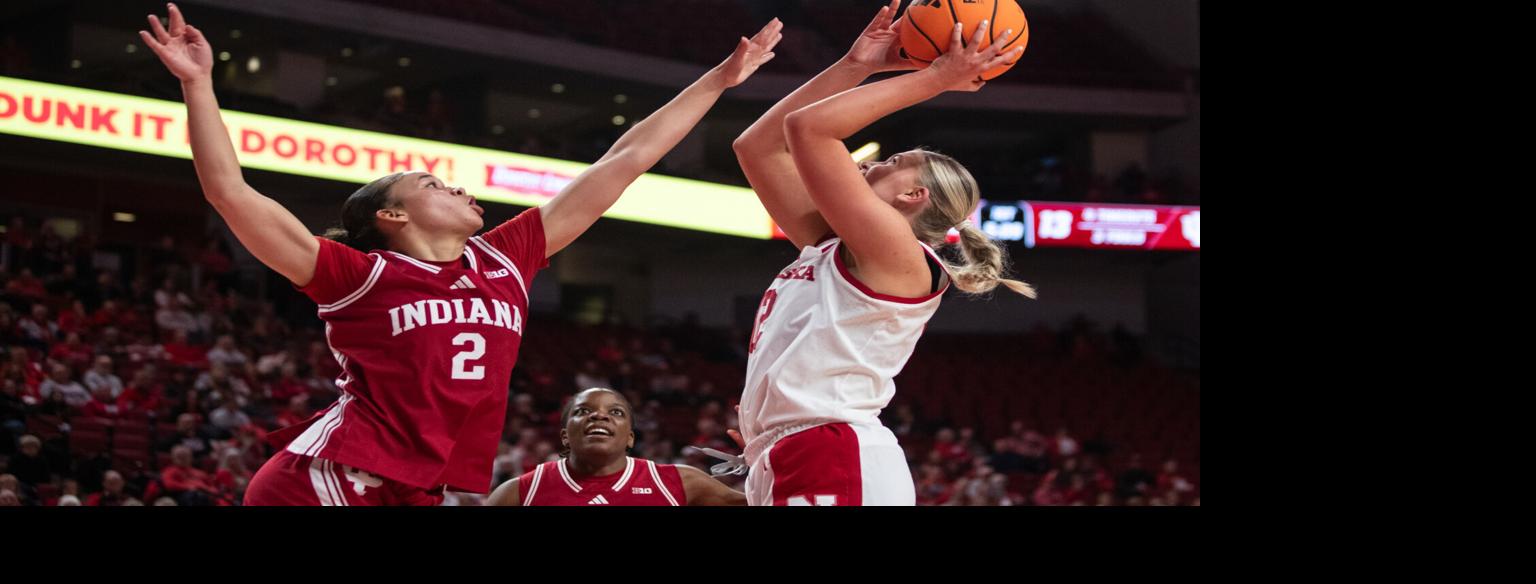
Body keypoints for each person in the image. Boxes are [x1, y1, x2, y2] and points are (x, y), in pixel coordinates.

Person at [138, 3, 782, 505]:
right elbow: (228, 191)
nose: (459, 189)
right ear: (391, 216)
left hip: (418, 484)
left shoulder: (506, 257)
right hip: (331, 478)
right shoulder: (356, 275)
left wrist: (719, 81)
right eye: (434, 186)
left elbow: (627, 159)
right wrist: (198, 86)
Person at [730, 3, 1032, 505]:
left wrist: (937, 78)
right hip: (792, 450)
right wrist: (858, 66)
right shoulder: (834, 243)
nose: (870, 163)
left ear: (913, 198)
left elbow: (810, 130)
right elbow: (757, 147)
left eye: (892, 162)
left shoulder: (899, 255)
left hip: (832, 449)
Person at [487, 388, 745, 507]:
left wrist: (769, 459)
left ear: (630, 438)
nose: (599, 416)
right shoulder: (519, 493)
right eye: (583, 411)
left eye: (616, 412)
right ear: (565, 436)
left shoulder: (679, 482)